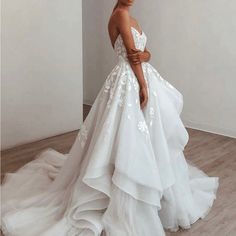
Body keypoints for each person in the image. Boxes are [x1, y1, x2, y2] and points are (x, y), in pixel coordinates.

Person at [1, 0, 219, 235]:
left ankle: (147, 186)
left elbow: (145, 53)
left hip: (139, 76)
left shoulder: (129, 17)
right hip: (131, 80)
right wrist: (143, 85)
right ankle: (123, 189)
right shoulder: (120, 16)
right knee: (128, 136)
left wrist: (144, 57)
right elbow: (134, 57)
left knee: (144, 137)